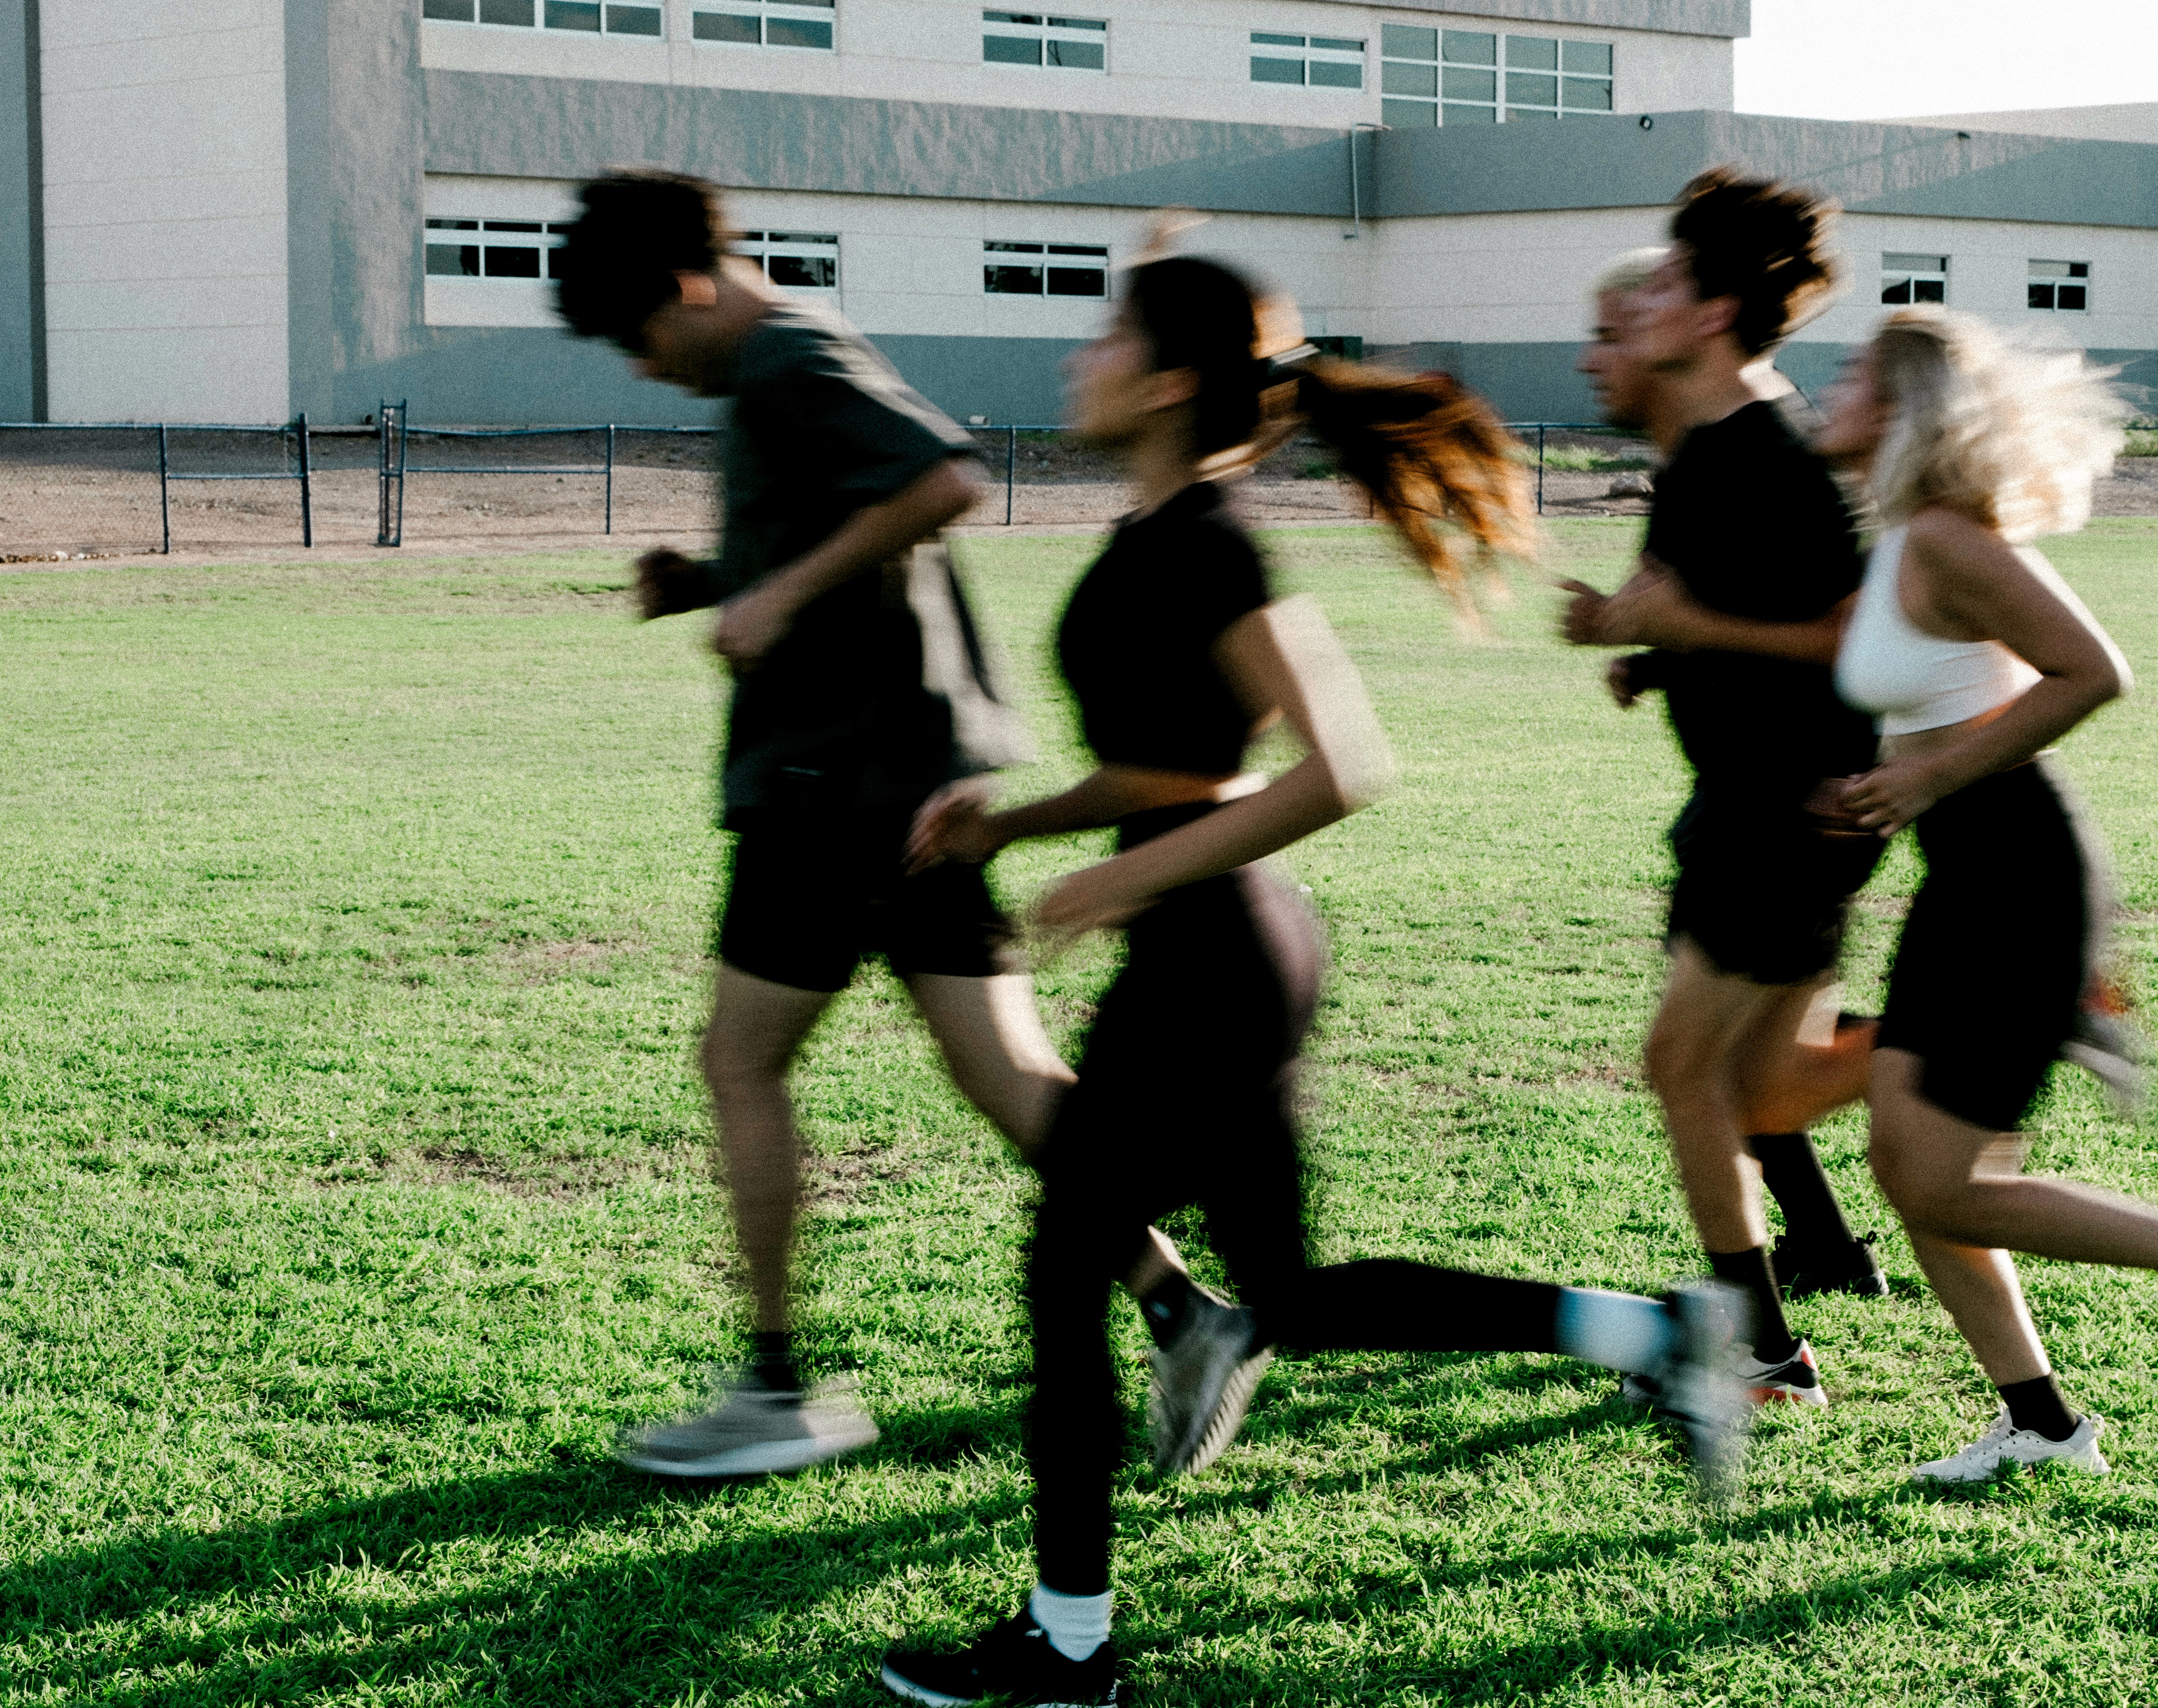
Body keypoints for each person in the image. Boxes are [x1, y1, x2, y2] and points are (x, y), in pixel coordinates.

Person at [879, 252, 1754, 1708]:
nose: (1073, 358)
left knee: (1062, 1270)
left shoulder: (1207, 540)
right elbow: (1188, 762)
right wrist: (1022, 820)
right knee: (1278, 1291)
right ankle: (1652, 1331)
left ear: (1165, 378)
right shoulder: (1162, 531)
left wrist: (1120, 873)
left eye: (1105, 334)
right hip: (1221, 949)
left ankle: (1069, 1647)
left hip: (1209, 956)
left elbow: (1342, 764)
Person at [551, 169, 1211, 1479]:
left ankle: (779, 1388)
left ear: (687, 286)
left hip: (831, 786)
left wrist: (779, 593)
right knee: (1006, 1075)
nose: (642, 367)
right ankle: (1185, 1310)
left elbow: (946, 479)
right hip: (911, 785)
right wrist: (717, 583)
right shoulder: (781, 369)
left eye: (639, 338)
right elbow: (861, 525)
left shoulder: (790, 358)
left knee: (740, 1063)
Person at [1812, 305, 2158, 1483]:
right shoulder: (1900, 541)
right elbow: (1926, 691)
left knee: (1941, 1177)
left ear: (1900, 407)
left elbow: (2096, 671)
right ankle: (2040, 1424)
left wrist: (1928, 772)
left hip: (2020, 875)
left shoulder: (1945, 536)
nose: (1826, 394)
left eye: (1849, 378)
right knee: (1909, 1165)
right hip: (1968, 872)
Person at [1555, 172, 1892, 1420]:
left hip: (1787, 811)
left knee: (1681, 1068)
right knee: (1761, 1088)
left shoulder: (1769, 451)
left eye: (1652, 287)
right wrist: (1657, 647)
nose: (1631, 307)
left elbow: (1858, 632)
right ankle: (1767, 1334)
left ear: (1703, 314)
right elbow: (1757, 615)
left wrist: (1679, 619)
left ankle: (1759, 1354)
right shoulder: (1708, 451)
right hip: (1755, 804)